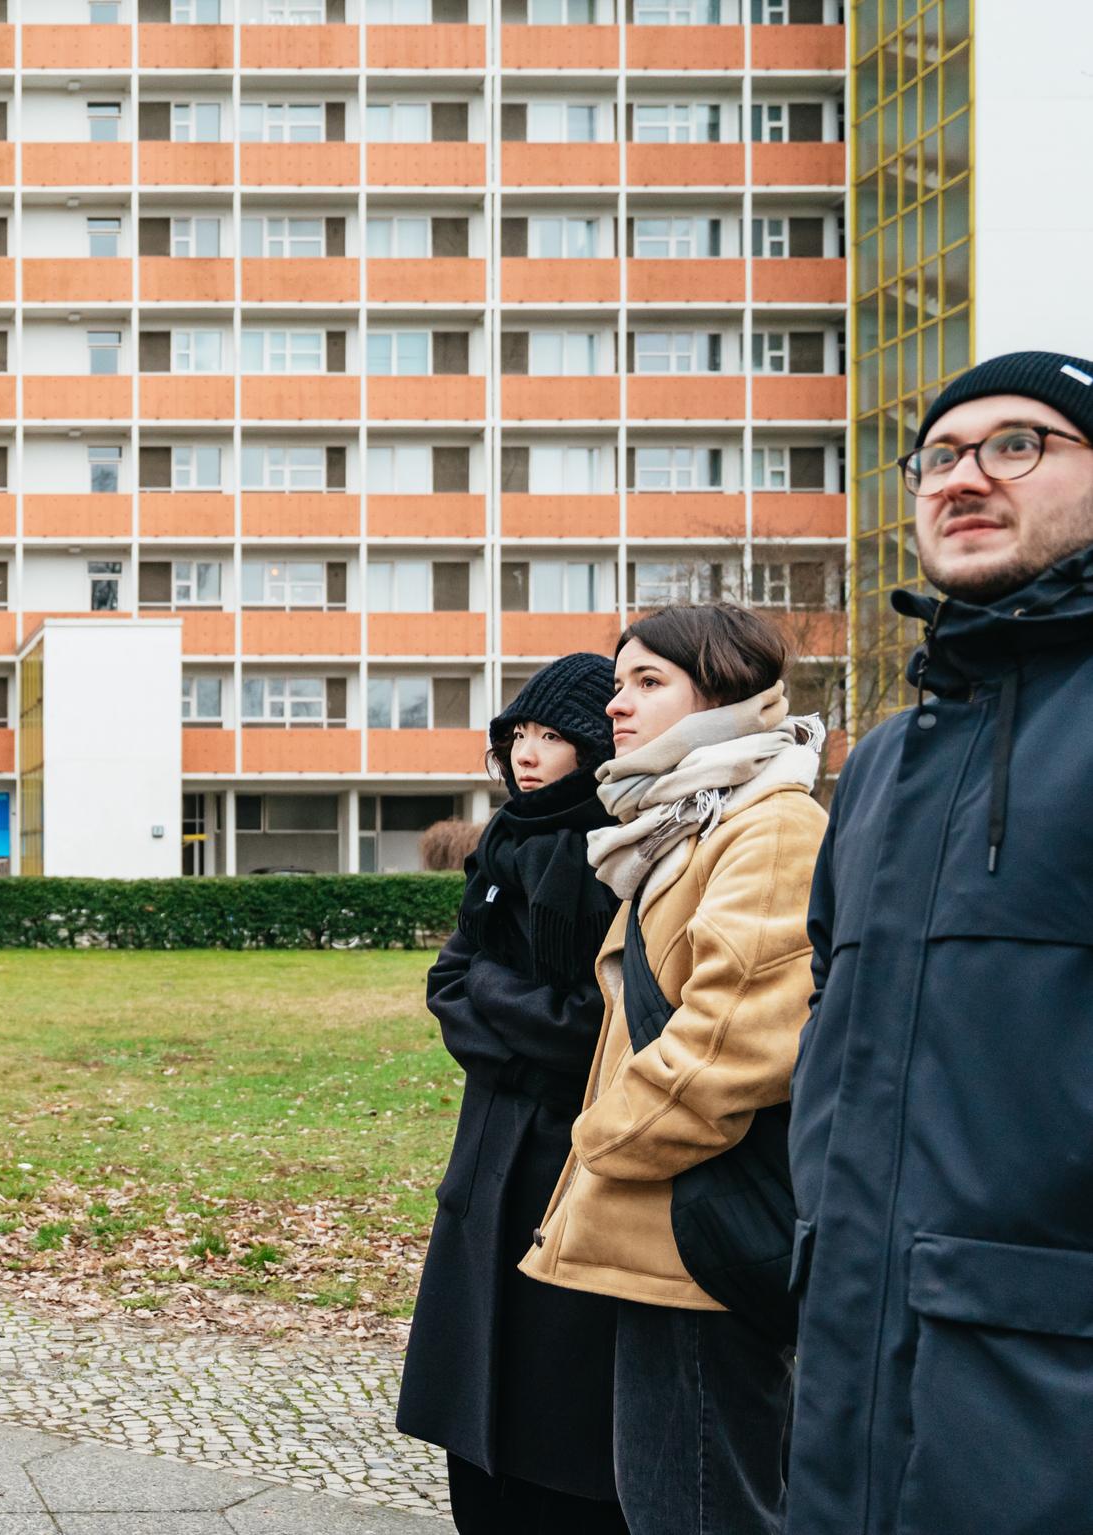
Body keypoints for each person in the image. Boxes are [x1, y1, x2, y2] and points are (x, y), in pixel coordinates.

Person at [787, 353, 1093, 1535]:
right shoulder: (879, 764)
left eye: (1019, 443)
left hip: (1045, 1405)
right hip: (856, 1364)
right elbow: (831, 1015)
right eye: (940, 455)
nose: (965, 477)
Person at [519, 604, 826, 1535]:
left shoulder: (768, 824)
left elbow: (734, 1041)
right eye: (619, 683)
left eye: (648, 682)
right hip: (664, 1228)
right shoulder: (679, 822)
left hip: (702, 1232)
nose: (617, 705)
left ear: (725, 691)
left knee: (694, 1509)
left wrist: (600, 1140)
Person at [397, 653, 629, 1535]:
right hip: (488, 1145)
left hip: (565, 1154)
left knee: (552, 1399)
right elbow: (448, 981)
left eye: (552, 736)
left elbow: (593, 1026)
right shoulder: (505, 839)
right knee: (475, 1409)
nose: (528, 755)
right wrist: (497, 1008)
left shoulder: (610, 846)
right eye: (517, 736)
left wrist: (493, 1006)